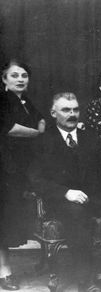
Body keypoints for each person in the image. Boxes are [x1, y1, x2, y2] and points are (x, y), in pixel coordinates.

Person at [29, 92, 101, 292]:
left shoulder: (90, 137)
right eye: (66, 110)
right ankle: (85, 282)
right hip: (62, 200)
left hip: (92, 197)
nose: (72, 114)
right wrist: (66, 192)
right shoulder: (43, 142)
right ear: (53, 113)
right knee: (77, 215)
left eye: (75, 109)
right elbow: (35, 180)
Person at [0, 60, 46, 290]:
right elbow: (9, 128)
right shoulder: (2, 100)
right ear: (4, 80)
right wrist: (38, 133)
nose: (20, 79)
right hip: (5, 167)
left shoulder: (26, 101)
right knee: (3, 219)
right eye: (15, 75)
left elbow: (41, 118)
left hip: (22, 167)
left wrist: (41, 126)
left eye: (24, 75)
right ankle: (5, 272)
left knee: (14, 219)